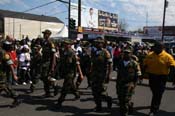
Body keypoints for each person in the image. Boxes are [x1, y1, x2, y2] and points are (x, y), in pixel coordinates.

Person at [143, 41, 175, 116]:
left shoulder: (168, 56)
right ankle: (155, 103)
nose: (156, 48)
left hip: (162, 77)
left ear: (162, 48)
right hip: (152, 76)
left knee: (158, 93)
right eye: (155, 47)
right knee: (154, 92)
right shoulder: (149, 55)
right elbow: (145, 65)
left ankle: (154, 110)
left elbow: (173, 67)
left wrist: (173, 78)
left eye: (158, 47)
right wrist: (141, 75)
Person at [55, 39, 83, 109]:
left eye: (67, 44)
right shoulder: (64, 51)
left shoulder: (72, 52)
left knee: (65, 87)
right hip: (65, 71)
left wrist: (80, 73)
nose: (65, 45)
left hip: (71, 72)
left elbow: (77, 63)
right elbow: (61, 61)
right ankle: (77, 94)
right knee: (71, 86)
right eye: (64, 44)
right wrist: (56, 69)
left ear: (70, 45)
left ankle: (60, 100)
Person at [116, 49, 141, 116]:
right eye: (125, 53)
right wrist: (117, 83)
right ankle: (130, 105)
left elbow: (137, 75)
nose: (126, 54)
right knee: (120, 99)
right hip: (120, 84)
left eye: (128, 53)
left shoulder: (134, 63)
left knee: (125, 100)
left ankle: (124, 113)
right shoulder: (120, 62)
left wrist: (134, 86)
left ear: (131, 54)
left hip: (129, 84)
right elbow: (118, 73)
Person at [90, 38, 112, 112]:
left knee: (101, 91)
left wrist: (108, 75)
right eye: (96, 43)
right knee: (94, 91)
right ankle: (98, 106)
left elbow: (110, 64)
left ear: (102, 44)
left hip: (102, 74)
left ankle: (108, 100)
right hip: (94, 74)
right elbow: (92, 63)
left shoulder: (105, 52)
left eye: (99, 43)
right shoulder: (94, 52)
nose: (97, 44)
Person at [0, 41, 21, 107]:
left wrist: (14, 74)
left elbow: (10, 64)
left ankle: (16, 97)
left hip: (2, 73)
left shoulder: (3, 53)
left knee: (3, 86)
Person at [41, 29, 57, 97]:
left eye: (45, 34)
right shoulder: (44, 42)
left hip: (48, 62)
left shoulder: (51, 43)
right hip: (44, 61)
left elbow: (53, 55)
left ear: (48, 35)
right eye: (44, 34)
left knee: (45, 77)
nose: (44, 35)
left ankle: (53, 87)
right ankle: (48, 91)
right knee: (44, 77)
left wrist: (53, 66)